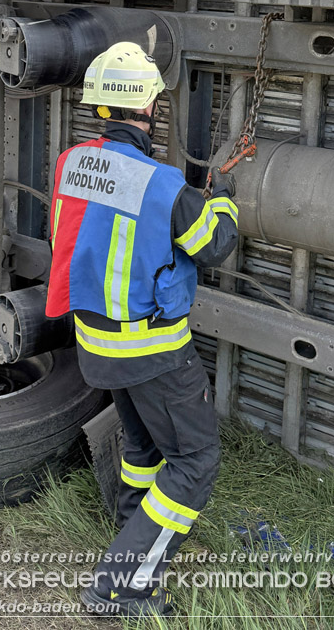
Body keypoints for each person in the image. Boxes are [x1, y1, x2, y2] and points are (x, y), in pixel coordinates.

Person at [45, 41, 239, 618]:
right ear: (147, 108)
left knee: (144, 449)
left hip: (96, 347)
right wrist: (220, 200)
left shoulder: (72, 164)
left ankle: (132, 532)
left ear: (101, 108)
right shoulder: (164, 185)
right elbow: (216, 245)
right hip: (153, 352)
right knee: (196, 462)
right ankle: (119, 586)